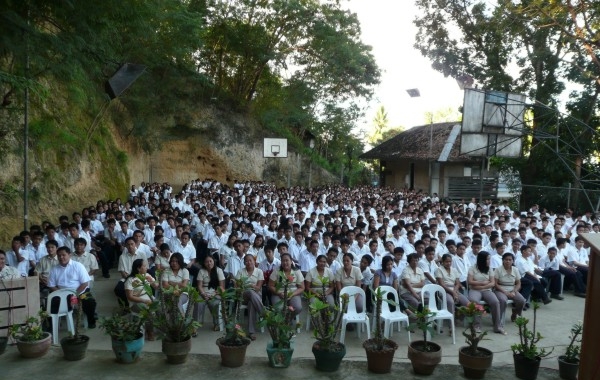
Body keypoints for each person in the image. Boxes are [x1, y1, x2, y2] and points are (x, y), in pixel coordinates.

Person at [48, 246, 97, 328]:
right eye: (59, 255)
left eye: (64, 255)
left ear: (69, 255)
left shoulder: (78, 266)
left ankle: (91, 321)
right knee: (50, 304)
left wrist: (74, 295)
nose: (61, 257)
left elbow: (85, 283)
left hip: (80, 292)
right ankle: (53, 324)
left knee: (90, 301)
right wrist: (61, 294)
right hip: (62, 293)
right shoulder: (54, 269)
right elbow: (51, 285)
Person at [467, 251, 503, 335]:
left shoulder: (489, 269)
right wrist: (483, 283)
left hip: (486, 290)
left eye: (489, 259)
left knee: (495, 302)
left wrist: (481, 286)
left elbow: (492, 283)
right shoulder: (472, 268)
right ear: (482, 260)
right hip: (475, 290)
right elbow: (470, 281)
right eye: (487, 259)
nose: (489, 261)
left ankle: (497, 326)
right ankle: (477, 325)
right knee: (474, 301)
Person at [124, 259, 158, 340]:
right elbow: (130, 297)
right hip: (136, 302)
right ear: (139, 268)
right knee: (149, 310)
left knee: (161, 307)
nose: (147, 267)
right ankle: (150, 332)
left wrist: (153, 282)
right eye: (144, 266)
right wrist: (145, 301)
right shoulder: (131, 280)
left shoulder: (147, 275)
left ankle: (157, 327)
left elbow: (157, 287)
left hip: (149, 298)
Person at [235, 254, 264, 340]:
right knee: (250, 292)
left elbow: (258, 288)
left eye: (250, 260)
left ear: (254, 261)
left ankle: (251, 332)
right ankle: (263, 313)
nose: (249, 262)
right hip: (243, 296)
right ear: (244, 263)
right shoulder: (240, 272)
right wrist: (251, 286)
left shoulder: (259, 271)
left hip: (256, 296)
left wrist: (248, 285)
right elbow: (237, 287)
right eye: (246, 261)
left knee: (251, 304)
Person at [269, 252, 304, 319]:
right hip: (278, 294)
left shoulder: (297, 271)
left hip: (293, 294)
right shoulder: (277, 271)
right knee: (278, 308)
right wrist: (279, 293)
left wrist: (292, 294)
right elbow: (270, 285)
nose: (285, 263)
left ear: (291, 261)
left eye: (287, 260)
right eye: (283, 261)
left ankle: (287, 320)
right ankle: (282, 323)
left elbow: (302, 287)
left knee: (298, 307)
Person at [494, 252, 526, 325]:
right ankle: (499, 320)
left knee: (521, 300)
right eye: (506, 259)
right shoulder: (498, 270)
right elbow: (495, 284)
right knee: (503, 300)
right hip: (500, 289)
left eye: (510, 260)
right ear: (503, 260)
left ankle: (515, 312)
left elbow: (518, 283)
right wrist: (505, 292)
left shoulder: (515, 269)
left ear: (512, 261)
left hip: (512, 289)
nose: (508, 261)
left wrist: (514, 291)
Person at [435, 253, 469, 318]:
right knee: (450, 302)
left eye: (450, 261)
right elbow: (441, 284)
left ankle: (463, 318)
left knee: (467, 303)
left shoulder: (454, 270)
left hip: (454, 290)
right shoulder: (439, 270)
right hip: (444, 291)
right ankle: (451, 323)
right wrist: (453, 292)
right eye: (446, 261)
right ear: (442, 261)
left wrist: (455, 291)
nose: (448, 263)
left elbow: (457, 283)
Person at [197, 255, 225, 331]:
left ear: (214, 262)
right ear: (204, 263)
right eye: (207, 262)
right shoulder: (201, 271)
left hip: (215, 293)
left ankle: (216, 324)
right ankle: (194, 325)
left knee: (214, 303)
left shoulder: (219, 270)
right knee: (198, 303)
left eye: (210, 261)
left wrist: (213, 294)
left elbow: (222, 287)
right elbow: (199, 286)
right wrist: (203, 294)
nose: (209, 263)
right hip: (203, 293)